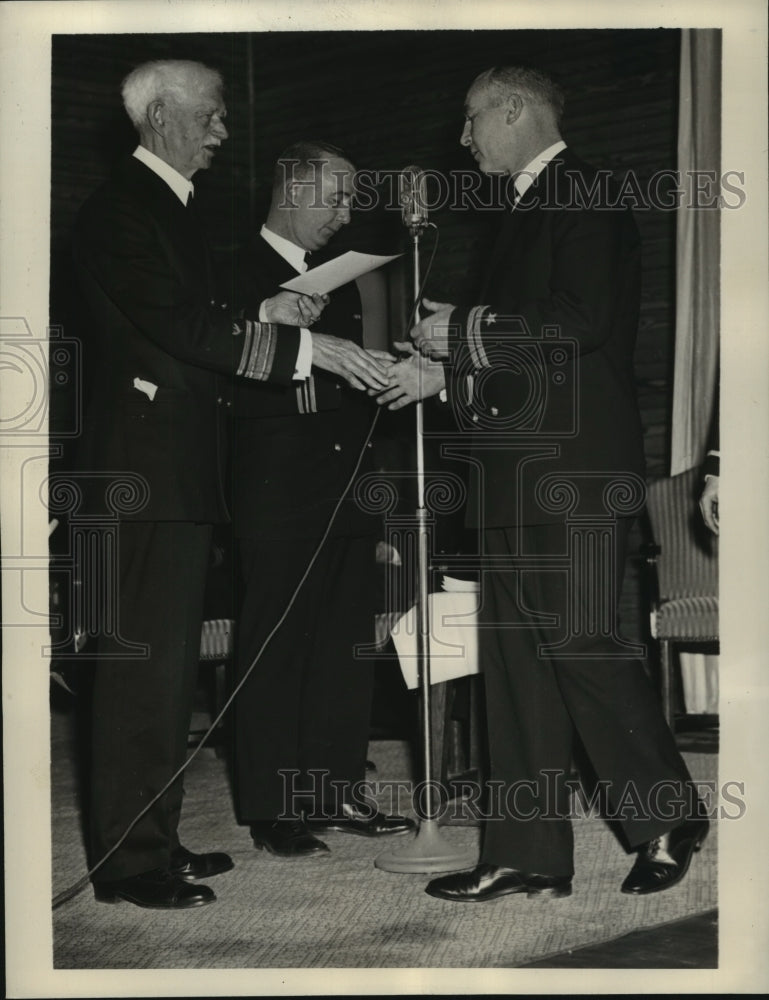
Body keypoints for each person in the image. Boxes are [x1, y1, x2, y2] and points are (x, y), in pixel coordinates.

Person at [377, 65, 708, 901]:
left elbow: (580, 323)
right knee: (514, 660)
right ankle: (525, 852)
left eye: (471, 119)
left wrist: (466, 329)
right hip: (513, 470)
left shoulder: (583, 187)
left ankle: (666, 813)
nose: (463, 138)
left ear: (514, 110)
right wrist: (445, 376)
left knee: (581, 642)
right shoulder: (522, 209)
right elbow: (528, 357)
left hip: (573, 472)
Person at [73, 62, 390, 909]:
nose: (221, 132)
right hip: (140, 474)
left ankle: (155, 842)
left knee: (167, 674)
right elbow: (175, 327)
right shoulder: (119, 209)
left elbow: (201, 324)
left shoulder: (173, 211)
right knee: (141, 674)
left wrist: (271, 320)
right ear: (164, 116)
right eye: (210, 117)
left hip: (176, 471)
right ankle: (129, 864)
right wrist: (298, 349)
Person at [231, 141, 415, 858]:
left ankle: (334, 788)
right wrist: (266, 315)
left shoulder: (339, 283)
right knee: (276, 645)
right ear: (292, 186)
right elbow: (217, 369)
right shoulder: (234, 268)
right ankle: (273, 805)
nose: (344, 214)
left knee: (342, 643)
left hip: (346, 486)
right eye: (334, 197)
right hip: (274, 486)